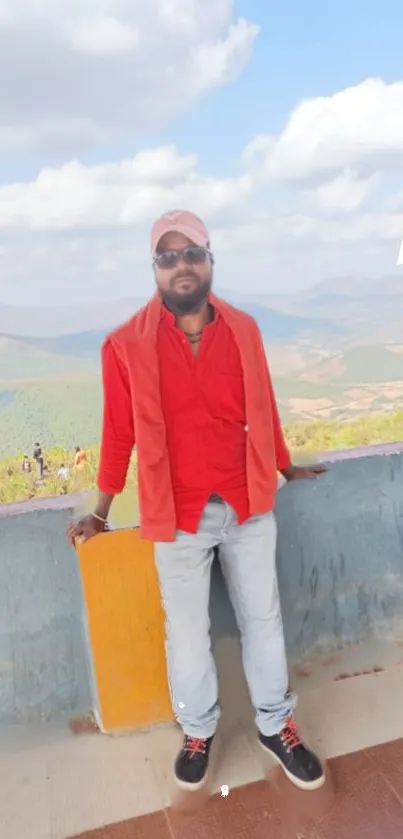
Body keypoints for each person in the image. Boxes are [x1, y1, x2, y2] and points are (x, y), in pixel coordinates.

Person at [67, 209, 328, 793]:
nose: (181, 265)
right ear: (154, 268)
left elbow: (264, 408)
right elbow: (118, 435)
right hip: (177, 515)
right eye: (168, 256)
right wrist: (102, 510)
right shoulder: (125, 346)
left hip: (249, 504)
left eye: (192, 253)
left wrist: (284, 466)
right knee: (186, 634)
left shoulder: (243, 329)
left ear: (210, 260)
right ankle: (197, 729)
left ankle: (275, 725)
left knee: (264, 620)